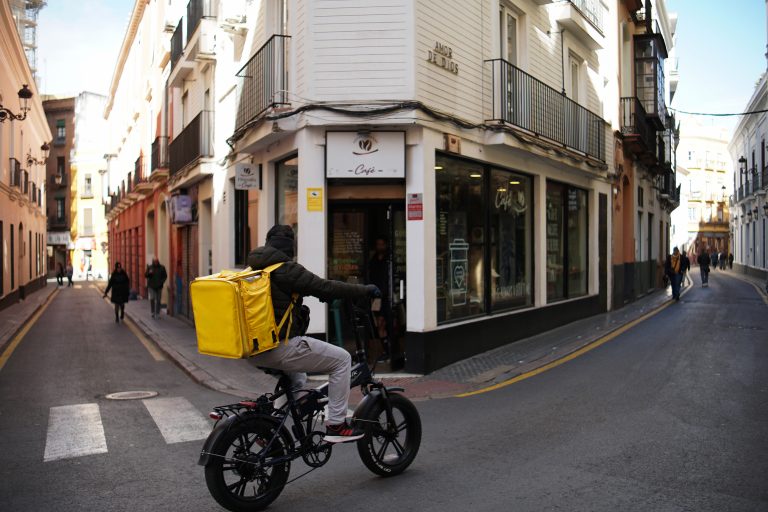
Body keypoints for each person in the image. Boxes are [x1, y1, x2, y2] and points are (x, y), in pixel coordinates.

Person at [247, 225, 380, 443]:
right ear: (291, 246)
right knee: (342, 360)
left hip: (254, 349)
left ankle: (267, 427)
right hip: (279, 347)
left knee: (297, 378)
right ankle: (336, 425)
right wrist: (363, 290)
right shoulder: (286, 269)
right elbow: (324, 287)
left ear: (268, 243)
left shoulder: (253, 269)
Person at [367, 237, 392, 360]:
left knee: (389, 322)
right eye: (378, 244)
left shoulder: (389, 260)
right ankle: (386, 351)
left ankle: (390, 350)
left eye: (382, 244)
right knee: (379, 323)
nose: (380, 247)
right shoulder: (373, 260)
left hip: (388, 297)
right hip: (376, 298)